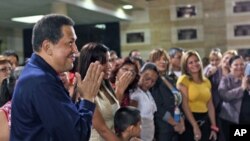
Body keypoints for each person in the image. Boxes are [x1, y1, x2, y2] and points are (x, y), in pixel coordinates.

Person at [10, 14, 104, 141]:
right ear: (48, 47)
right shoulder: (41, 81)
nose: (76, 50)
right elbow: (76, 136)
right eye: (70, 43)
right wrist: (87, 99)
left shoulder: (38, 74)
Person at [78, 42, 120, 141]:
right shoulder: (85, 89)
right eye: (104, 62)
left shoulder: (105, 84)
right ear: (90, 63)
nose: (109, 66)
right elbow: (102, 130)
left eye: (109, 60)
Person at [177, 50, 217, 141]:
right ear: (186, 66)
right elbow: (184, 105)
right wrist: (195, 126)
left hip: (205, 121)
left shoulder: (206, 81)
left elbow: (210, 105)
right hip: (190, 122)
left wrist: (213, 127)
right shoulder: (183, 80)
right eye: (190, 62)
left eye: (196, 61)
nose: (194, 64)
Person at [148, 48, 185, 141]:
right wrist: (175, 124)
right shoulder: (152, 81)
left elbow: (178, 103)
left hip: (177, 127)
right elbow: (158, 108)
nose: (163, 62)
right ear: (152, 62)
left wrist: (181, 122)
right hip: (163, 129)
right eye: (158, 59)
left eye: (164, 59)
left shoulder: (170, 79)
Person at [218, 55, 245, 141]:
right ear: (230, 66)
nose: (239, 67)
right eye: (236, 65)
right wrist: (242, 88)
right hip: (230, 119)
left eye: (241, 64)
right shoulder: (225, 80)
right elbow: (224, 96)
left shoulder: (247, 78)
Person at [130, 62, 158, 141]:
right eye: (147, 78)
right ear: (140, 73)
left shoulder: (147, 92)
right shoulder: (135, 94)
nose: (149, 83)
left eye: (153, 81)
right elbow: (132, 121)